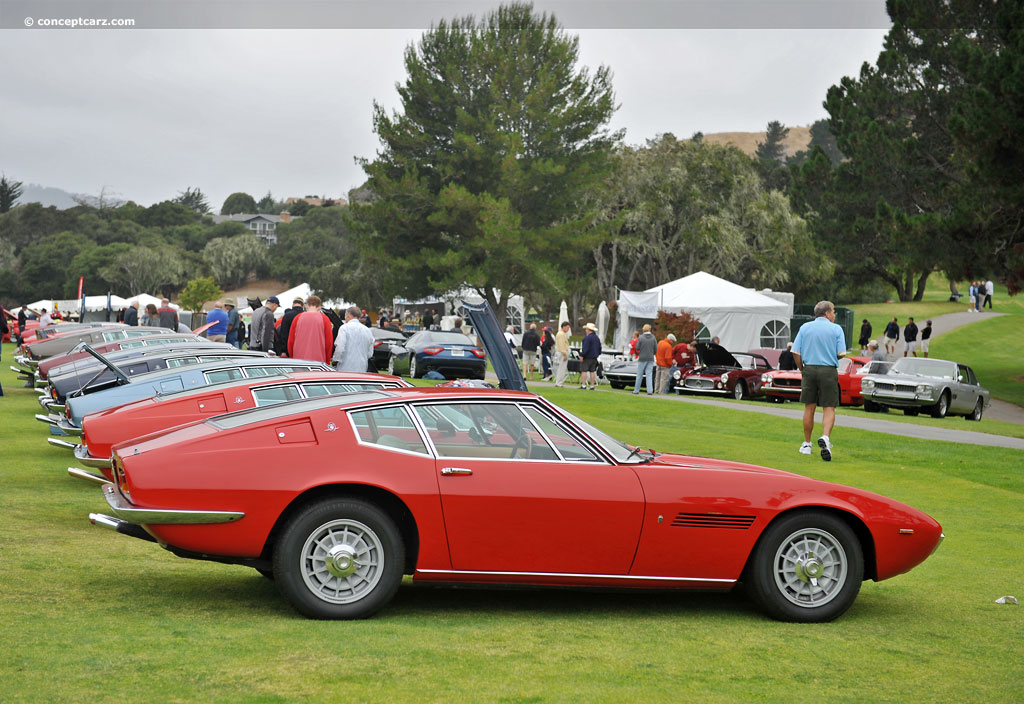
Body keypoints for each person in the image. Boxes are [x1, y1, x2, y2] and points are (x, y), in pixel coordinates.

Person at [792, 300, 846, 461]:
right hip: (828, 370)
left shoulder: (804, 328)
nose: (834, 315)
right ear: (827, 313)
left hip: (809, 369)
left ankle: (807, 444)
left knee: (809, 407)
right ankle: (825, 438)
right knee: (829, 407)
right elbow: (841, 353)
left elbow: (795, 351)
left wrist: (802, 368)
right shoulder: (836, 329)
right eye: (834, 312)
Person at [287, 294, 334, 363]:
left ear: (306, 305)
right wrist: (327, 360)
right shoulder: (325, 319)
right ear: (320, 307)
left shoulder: (297, 318)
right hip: (318, 361)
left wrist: (292, 357)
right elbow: (329, 343)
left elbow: (291, 341)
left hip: (298, 360)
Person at [332, 305, 376, 372]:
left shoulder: (344, 328)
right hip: (362, 368)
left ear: (348, 315)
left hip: (345, 368)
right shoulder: (367, 330)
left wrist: (335, 360)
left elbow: (340, 348)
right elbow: (370, 353)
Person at [632, 324, 657, 395]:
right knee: (649, 375)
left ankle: (636, 390)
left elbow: (637, 347)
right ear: (649, 329)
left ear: (643, 329)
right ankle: (650, 390)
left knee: (639, 375)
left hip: (642, 358)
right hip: (650, 358)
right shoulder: (653, 338)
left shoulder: (641, 338)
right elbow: (655, 349)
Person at [579, 322, 601, 390]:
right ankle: (592, 386)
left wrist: (582, 355)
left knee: (584, 371)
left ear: (589, 330)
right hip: (594, 357)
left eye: (586, 329)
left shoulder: (587, 338)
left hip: (587, 357)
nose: (585, 330)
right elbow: (599, 348)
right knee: (592, 371)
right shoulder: (597, 338)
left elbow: (585, 348)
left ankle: (583, 385)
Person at [553, 321, 571, 387]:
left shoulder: (562, 334)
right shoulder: (561, 334)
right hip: (562, 353)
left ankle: (559, 382)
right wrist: (564, 354)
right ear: (563, 327)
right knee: (561, 368)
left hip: (561, 352)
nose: (568, 329)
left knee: (561, 368)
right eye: (567, 327)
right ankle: (559, 382)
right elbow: (561, 345)